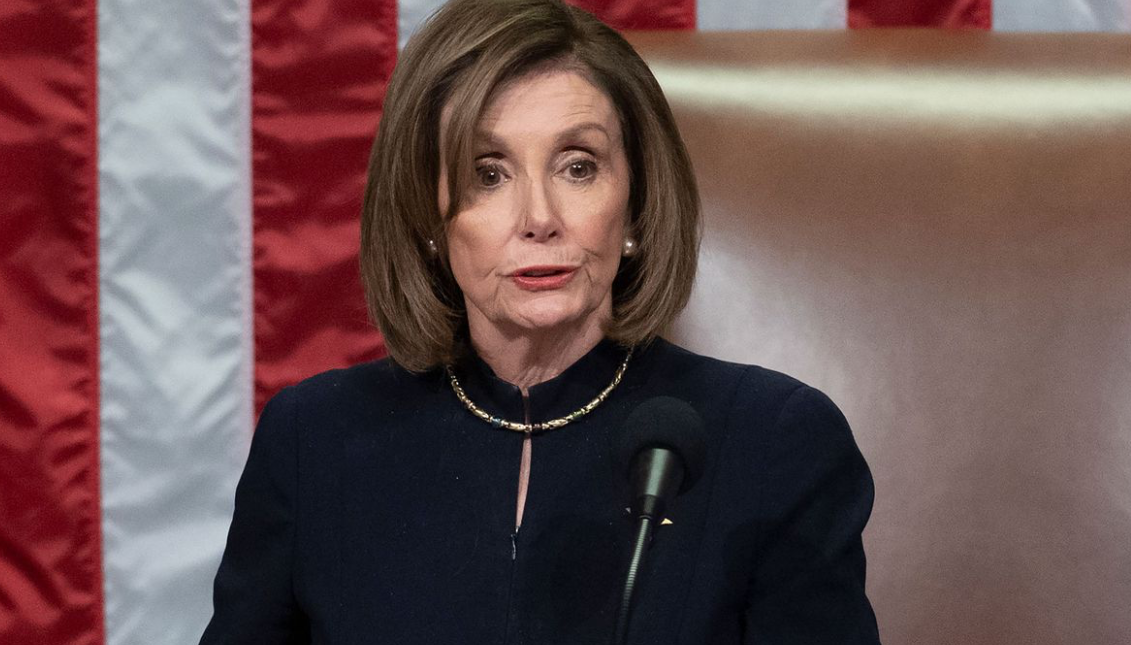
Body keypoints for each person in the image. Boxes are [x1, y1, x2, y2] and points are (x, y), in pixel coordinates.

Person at [200, 0, 881, 642]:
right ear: (428, 219)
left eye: (578, 166)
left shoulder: (773, 441)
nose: (539, 218)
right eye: (487, 174)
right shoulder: (315, 443)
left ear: (635, 206)